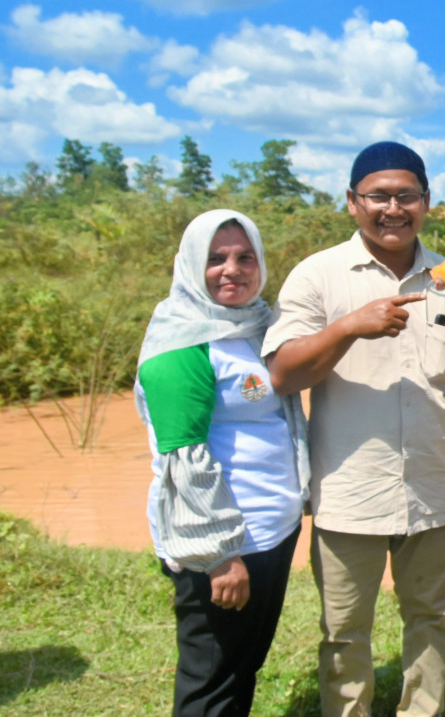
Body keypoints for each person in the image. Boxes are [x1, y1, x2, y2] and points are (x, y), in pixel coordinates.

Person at [262, 141, 445, 717]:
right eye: (378, 196)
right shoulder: (318, 275)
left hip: (432, 486)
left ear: (426, 202)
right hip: (348, 490)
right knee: (343, 628)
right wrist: (350, 326)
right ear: (353, 203)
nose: (393, 208)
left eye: (406, 195)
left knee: (431, 619)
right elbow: (283, 373)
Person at [135, 209, 309, 717]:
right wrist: (219, 555)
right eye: (215, 259)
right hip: (225, 543)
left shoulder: (258, 326)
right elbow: (183, 458)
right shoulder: (181, 344)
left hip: (270, 532)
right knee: (211, 675)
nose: (231, 269)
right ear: (191, 266)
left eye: (244, 257)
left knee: (242, 664)